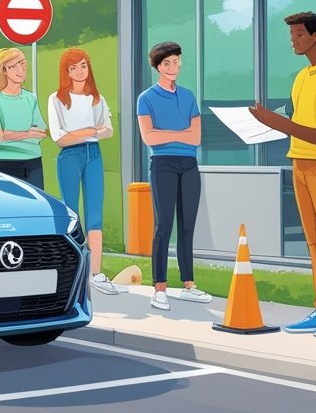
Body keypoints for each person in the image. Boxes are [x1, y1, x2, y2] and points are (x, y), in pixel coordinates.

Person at [249, 11, 316, 338]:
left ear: (315, 36)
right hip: (299, 162)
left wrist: (275, 122)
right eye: (292, 35)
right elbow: (298, 121)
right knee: (313, 240)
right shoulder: (302, 77)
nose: (293, 41)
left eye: (298, 35)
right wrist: (272, 123)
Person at [136, 41, 211, 311]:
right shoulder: (146, 98)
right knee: (164, 225)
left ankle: (188, 284)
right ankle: (160, 288)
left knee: (187, 226)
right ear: (157, 67)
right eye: (166, 63)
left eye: (176, 61)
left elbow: (197, 137)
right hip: (162, 164)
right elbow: (148, 138)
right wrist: (180, 135)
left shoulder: (188, 96)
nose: (173, 67)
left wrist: (166, 134)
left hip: (189, 165)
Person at [48, 48, 121, 296]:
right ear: (66, 72)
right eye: (73, 67)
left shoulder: (96, 98)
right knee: (71, 213)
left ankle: (96, 273)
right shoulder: (57, 99)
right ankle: (72, 273)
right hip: (70, 156)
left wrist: (81, 133)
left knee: (95, 214)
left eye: (83, 66)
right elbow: (60, 138)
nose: (80, 71)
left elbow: (108, 130)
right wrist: (90, 130)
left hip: (93, 154)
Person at [0, 47, 48, 187]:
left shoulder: (30, 98)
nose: (20, 71)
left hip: (34, 161)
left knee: (36, 204)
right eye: (13, 66)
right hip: (8, 163)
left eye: (22, 64)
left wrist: (9, 134)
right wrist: (27, 133)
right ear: (4, 71)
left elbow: (41, 132)